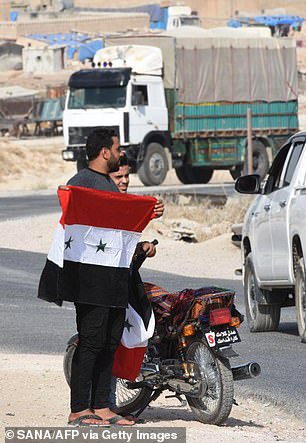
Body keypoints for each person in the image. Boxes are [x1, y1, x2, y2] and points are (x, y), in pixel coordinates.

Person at [67, 129, 163, 427]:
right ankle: (79, 409)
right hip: (90, 281)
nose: (121, 154)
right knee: (91, 342)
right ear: (105, 152)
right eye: (117, 149)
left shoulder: (108, 183)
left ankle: (103, 406)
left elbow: (118, 230)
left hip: (115, 278)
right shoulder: (81, 182)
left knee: (110, 342)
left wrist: (148, 213)